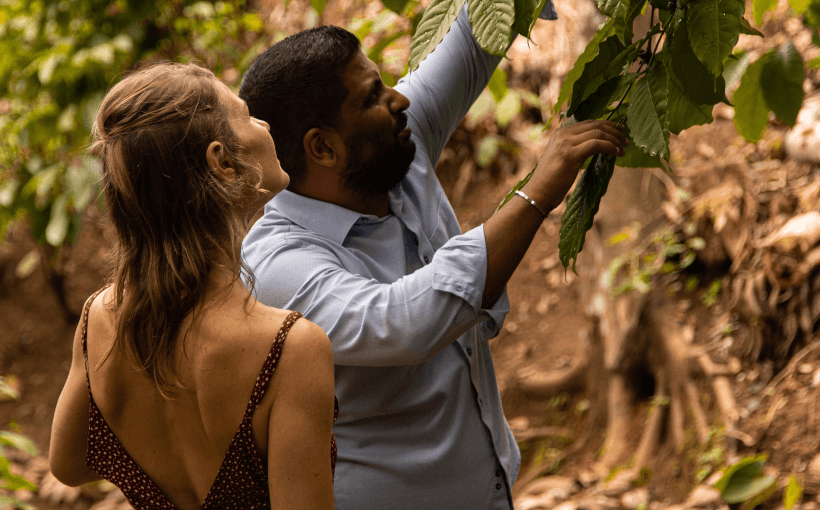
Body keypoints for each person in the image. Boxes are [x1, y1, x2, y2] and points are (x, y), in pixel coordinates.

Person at [239, 5, 628, 509]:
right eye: (372, 97)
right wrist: (536, 194)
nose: (399, 98)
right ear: (323, 148)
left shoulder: (391, 141)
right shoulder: (276, 265)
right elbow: (404, 321)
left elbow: (477, 34)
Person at [48, 62, 336, 510]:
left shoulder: (99, 320)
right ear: (221, 162)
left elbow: (68, 464)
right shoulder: (290, 348)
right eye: (246, 114)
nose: (263, 123)